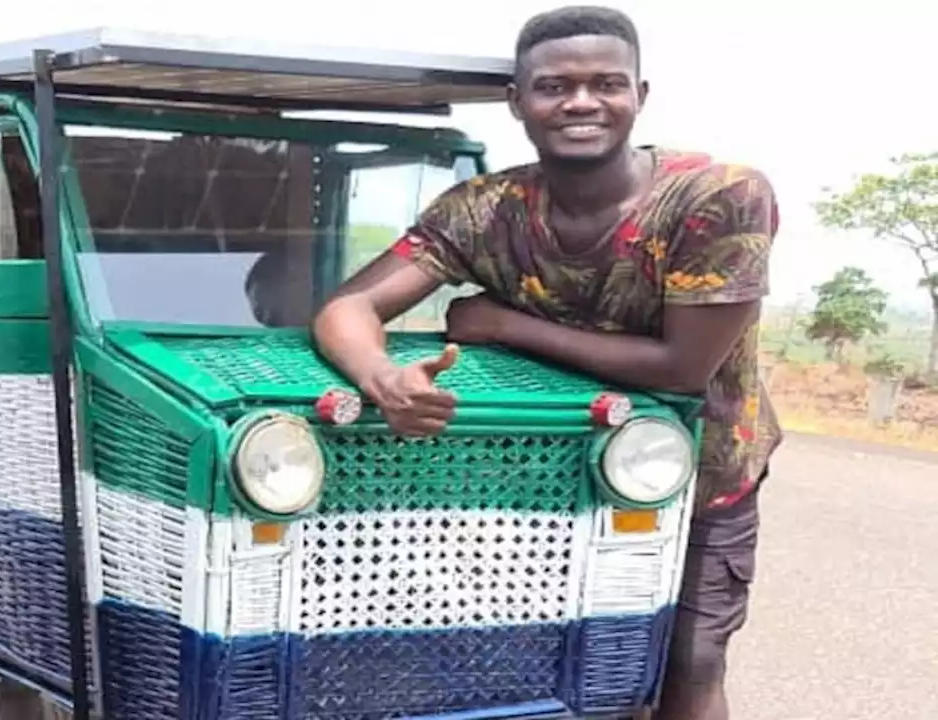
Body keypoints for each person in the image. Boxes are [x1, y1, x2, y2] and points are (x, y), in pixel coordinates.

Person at [310, 6, 782, 720]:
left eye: (607, 84)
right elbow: (346, 309)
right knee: (519, 656)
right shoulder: (484, 209)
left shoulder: (714, 198)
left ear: (640, 97)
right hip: (538, 481)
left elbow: (684, 367)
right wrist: (383, 379)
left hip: (693, 474)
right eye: (556, 86)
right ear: (518, 102)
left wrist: (504, 324)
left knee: (687, 661)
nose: (583, 102)